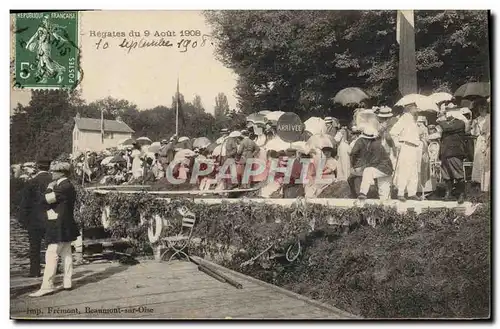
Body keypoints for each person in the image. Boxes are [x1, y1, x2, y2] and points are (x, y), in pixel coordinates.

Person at [30, 161, 80, 297]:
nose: (52, 173)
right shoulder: (66, 186)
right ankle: (67, 282)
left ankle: (47, 286)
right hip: (66, 224)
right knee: (66, 253)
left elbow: (45, 199)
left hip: (59, 224)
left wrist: (49, 188)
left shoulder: (63, 187)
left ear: (61, 173)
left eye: (54, 171)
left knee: (51, 254)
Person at [19, 159, 52, 277]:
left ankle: (34, 272)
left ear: (38, 167)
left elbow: (25, 203)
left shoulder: (31, 182)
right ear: (49, 167)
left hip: (35, 220)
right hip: (51, 218)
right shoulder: (54, 181)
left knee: (34, 247)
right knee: (52, 246)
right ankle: (53, 269)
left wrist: (23, 220)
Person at [390, 102, 421, 201]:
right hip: (406, 146)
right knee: (404, 170)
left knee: (413, 171)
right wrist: (397, 143)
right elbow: (393, 132)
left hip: (414, 147)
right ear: (409, 108)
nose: (416, 109)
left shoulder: (413, 120)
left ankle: (412, 193)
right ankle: (400, 193)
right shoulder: (404, 118)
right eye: (414, 107)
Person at [437, 104, 468, 203]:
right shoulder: (445, 123)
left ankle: (461, 194)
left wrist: (440, 122)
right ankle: (448, 194)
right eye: (446, 111)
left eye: (449, 111)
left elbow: (446, 128)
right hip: (445, 152)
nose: (447, 114)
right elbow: (441, 128)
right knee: (446, 174)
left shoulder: (460, 123)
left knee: (458, 174)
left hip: (455, 151)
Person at [355, 127, 393, 201]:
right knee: (384, 194)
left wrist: (362, 167)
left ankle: (363, 193)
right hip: (384, 170)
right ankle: (387, 208)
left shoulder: (375, 145)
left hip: (384, 168)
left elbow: (374, 161)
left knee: (367, 171)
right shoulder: (371, 145)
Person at [471, 99, 490, 188]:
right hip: (480, 139)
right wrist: (474, 126)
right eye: (480, 108)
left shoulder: (490, 117)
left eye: (483, 108)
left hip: (489, 138)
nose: (482, 110)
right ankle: (479, 180)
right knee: (479, 159)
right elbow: (474, 133)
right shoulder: (477, 119)